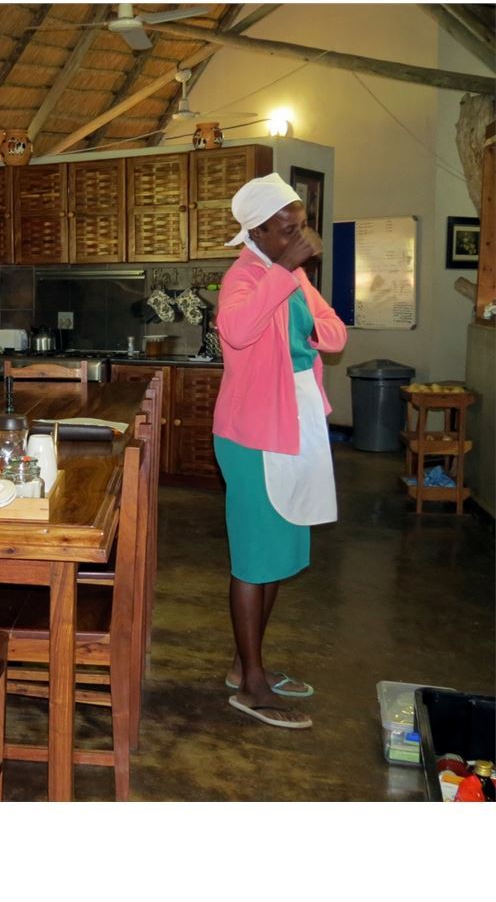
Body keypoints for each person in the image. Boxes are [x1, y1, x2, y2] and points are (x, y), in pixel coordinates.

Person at [213, 173, 347, 730]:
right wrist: (283, 270)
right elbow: (237, 330)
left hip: (294, 426)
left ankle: (247, 665)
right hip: (252, 434)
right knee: (254, 558)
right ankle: (252, 684)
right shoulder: (244, 276)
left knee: (279, 554)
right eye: (287, 229)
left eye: (302, 226)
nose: (300, 237)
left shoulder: (290, 275)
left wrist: (311, 328)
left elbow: (334, 332)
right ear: (258, 232)